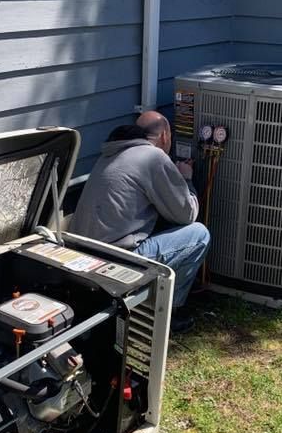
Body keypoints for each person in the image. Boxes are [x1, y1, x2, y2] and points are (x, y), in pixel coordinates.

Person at [70, 111, 210, 332]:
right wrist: (186, 178)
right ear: (165, 136)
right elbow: (186, 214)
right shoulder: (153, 157)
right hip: (117, 261)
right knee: (199, 234)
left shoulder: (111, 152)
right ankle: (170, 313)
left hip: (83, 257)